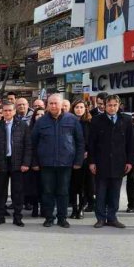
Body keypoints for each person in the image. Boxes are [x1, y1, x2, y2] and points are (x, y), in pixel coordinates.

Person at [30, 94, 85, 228]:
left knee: (63, 192)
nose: (53, 106)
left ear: (62, 104)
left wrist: (78, 161)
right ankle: (49, 217)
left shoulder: (72, 120)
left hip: (65, 163)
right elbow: (33, 143)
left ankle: (62, 218)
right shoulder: (41, 122)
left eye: (56, 103)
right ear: (47, 105)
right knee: (47, 192)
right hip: (46, 164)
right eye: (51, 103)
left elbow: (80, 141)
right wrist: (35, 162)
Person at [88, 94, 134, 228]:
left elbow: (131, 143)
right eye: (109, 105)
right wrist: (92, 162)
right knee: (101, 193)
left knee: (115, 192)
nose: (112, 108)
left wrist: (129, 162)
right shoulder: (96, 120)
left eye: (115, 105)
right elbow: (91, 143)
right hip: (101, 163)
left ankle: (112, 218)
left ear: (119, 105)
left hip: (119, 163)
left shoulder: (126, 120)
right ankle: (101, 218)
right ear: (104, 106)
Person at [0, 101, 32, 227]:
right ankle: (0, 216)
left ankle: (18, 217)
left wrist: (26, 163)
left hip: (17, 162)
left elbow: (28, 146)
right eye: (4, 111)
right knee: (0, 192)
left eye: (9, 110)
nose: (7, 113)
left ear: (14, 111)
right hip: (0, 162)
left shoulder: (22, 125)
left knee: (18, 192)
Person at [69, 99, 94, 219]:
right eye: (77, 107)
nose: (79, 109)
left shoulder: (89, 123)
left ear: (85, 109)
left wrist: (87, 152)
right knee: (72, 185)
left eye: (81, 107)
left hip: (84, 158)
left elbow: (93, 141)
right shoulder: (68, 121)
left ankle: (80, 208)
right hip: (70, 157)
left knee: (83, 185)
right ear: (73, 109)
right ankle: (73, 208)